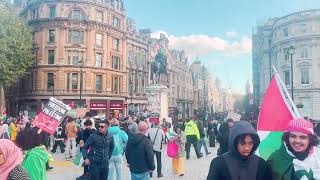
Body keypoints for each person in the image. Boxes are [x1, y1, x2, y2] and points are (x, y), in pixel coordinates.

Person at [207, 121, 272, 180]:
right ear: (235, 142)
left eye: (250, 143)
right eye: (242, 143)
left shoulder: (261, 164)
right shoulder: (219, 164)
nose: (247, 148)